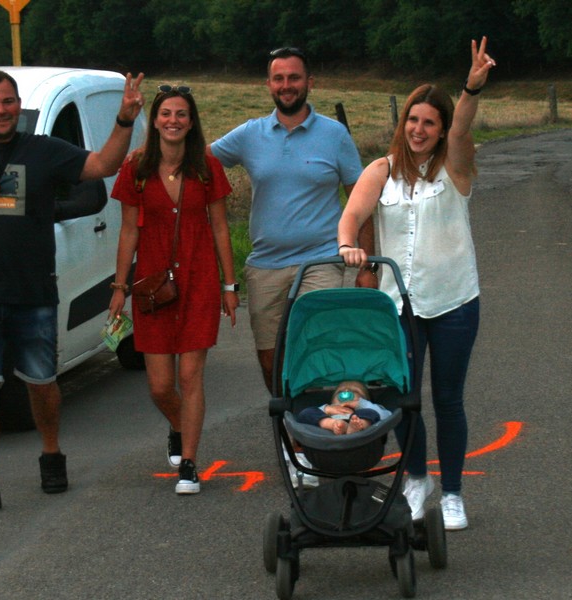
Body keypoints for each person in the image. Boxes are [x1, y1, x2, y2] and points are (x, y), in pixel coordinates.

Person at [0, 69, 146, 517]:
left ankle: (51, 453)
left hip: (33, 293)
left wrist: (124, 120)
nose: (1, 110)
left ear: (18, 105)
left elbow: (102, 166)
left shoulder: (42, 150)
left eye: (8, 102)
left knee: (41, 384)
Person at [338, 37, 496, 531]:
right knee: (398, 398)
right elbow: (352, 215)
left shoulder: (456, 167)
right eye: (413, 120)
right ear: (402, 122)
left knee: (448, 399)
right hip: (397, 305)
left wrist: (471, 87)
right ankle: (416, 479)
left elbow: (464, 126)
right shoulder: (381, 170)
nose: (419, 129)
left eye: (430, 122)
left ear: (442, 128)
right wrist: (348, 245)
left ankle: (452, 493)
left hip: (453, 301)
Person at [209, 47, 376, 395]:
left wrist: (367, 266)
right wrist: (150, 150)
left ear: (310, 82)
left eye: (294, 78)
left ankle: (321, 422)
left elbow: (360, 203)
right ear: (269, 84)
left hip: (321, 261)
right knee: (270, 360)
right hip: (265, 265)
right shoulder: (250, 134)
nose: (287, 85)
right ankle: (289, 425)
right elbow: (199, 159)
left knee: (313, 350)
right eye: (279, 78)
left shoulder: (334, 135)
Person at [108, 85, 238, 495]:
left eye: (181, 114)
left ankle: (190, 463)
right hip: (152, 288)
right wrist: (119, 286)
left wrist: (229, 285)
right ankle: (180, 426)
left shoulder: (207, 167)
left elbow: (220, 228)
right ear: (155, 120)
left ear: (192, 121)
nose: (173, 121)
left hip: (199, 282)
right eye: (166, 114)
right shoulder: (136, 168)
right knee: (161, 386)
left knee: (190, 375)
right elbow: (128, 230)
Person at [296, 380, 391, 435]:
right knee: (307, 413)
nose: (346, 391)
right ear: (332, 401)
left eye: (355, 391)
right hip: (330, 429)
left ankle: (356, 428)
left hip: (359, 426)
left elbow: (388, 416)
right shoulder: (328, 410)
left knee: (371, 413)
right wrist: (327, 409)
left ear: (365, 399)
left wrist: (361, 404)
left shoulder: (365, 408)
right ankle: (332, 424)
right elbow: (304, 418)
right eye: (340, 391)